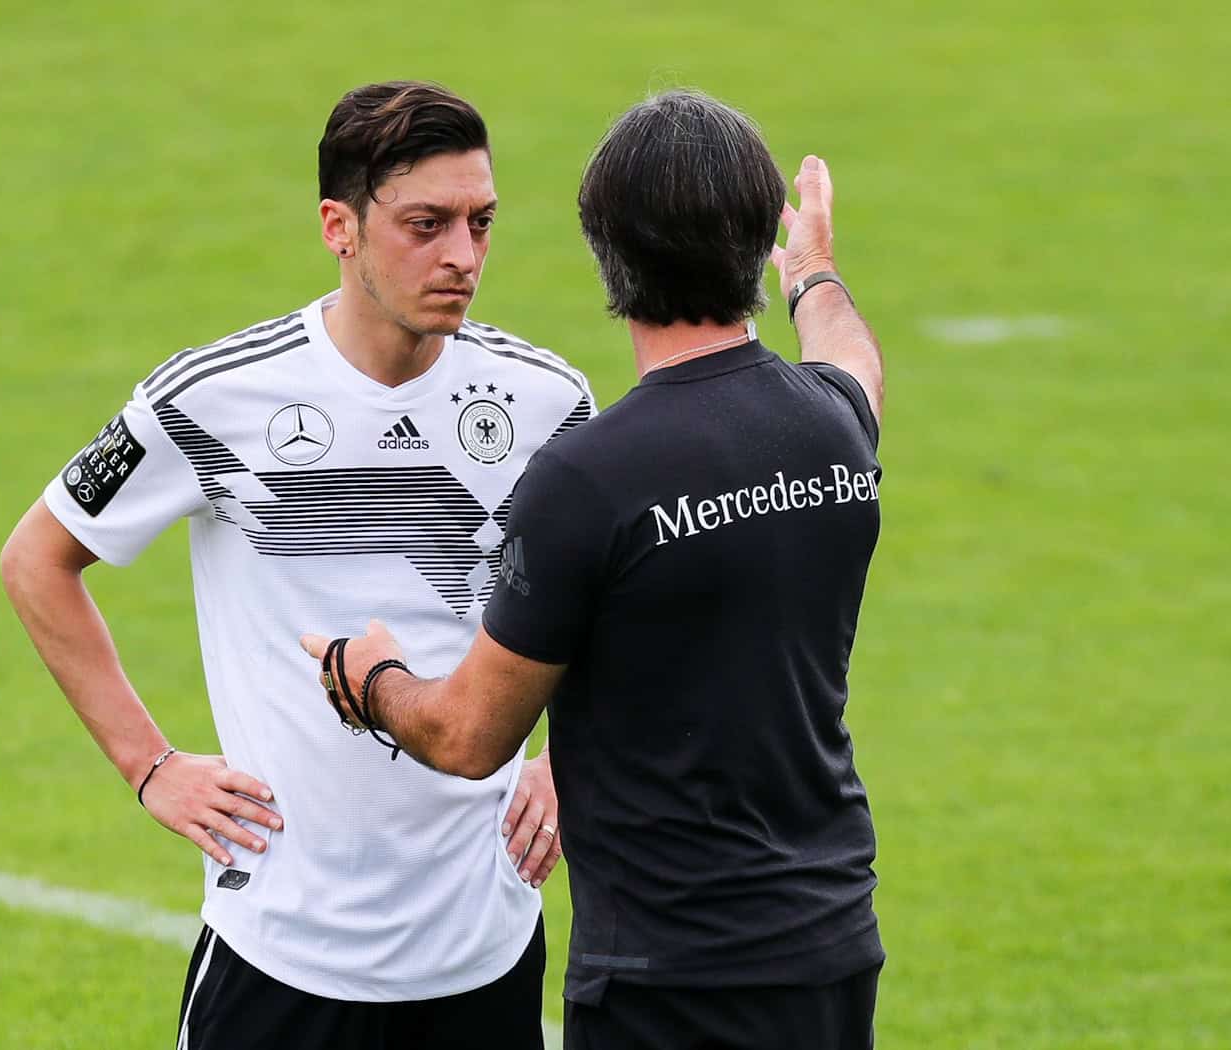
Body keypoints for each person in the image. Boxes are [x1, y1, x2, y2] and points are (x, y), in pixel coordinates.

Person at [0, 81, 594, 1050]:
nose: (462, 256)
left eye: (481, 223)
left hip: (481, 951)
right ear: (338, 227)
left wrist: (565, 761)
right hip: (277, 957)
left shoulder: (544, 404)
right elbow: (37, 558)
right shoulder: (216, 398)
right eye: (425, 224)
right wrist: (148, 766)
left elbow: (615, 604)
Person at [304, 89, 886, 1050]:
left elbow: (467, 736)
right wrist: (814, 269)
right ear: (752, 243)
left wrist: (369, 679)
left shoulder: (590, 478)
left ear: (606, 252)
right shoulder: (830, 426)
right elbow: (853, 362)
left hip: (672, 981)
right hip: (831, 945)